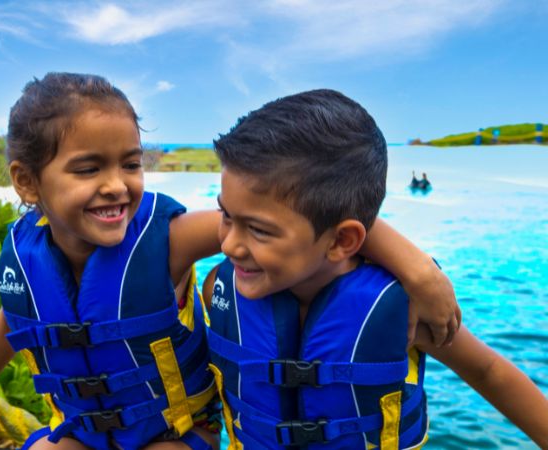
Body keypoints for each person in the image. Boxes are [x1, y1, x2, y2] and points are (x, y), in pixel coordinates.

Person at [0, 73, 461, 450]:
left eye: (130, 163)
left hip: (175, 434)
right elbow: (15, 326)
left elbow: (297, 222)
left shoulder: (168, 241)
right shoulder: (28, 260)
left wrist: (417, 270)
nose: (116, 185)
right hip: (83, 430)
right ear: (28, 182)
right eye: (87, 169)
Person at [202, 89, 548, 448]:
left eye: (258, 230)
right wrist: (419, 269)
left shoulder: (403, 311)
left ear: (341, 241)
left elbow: (489, 372)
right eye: (225, 215)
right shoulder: (219, 290)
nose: (228, 245)